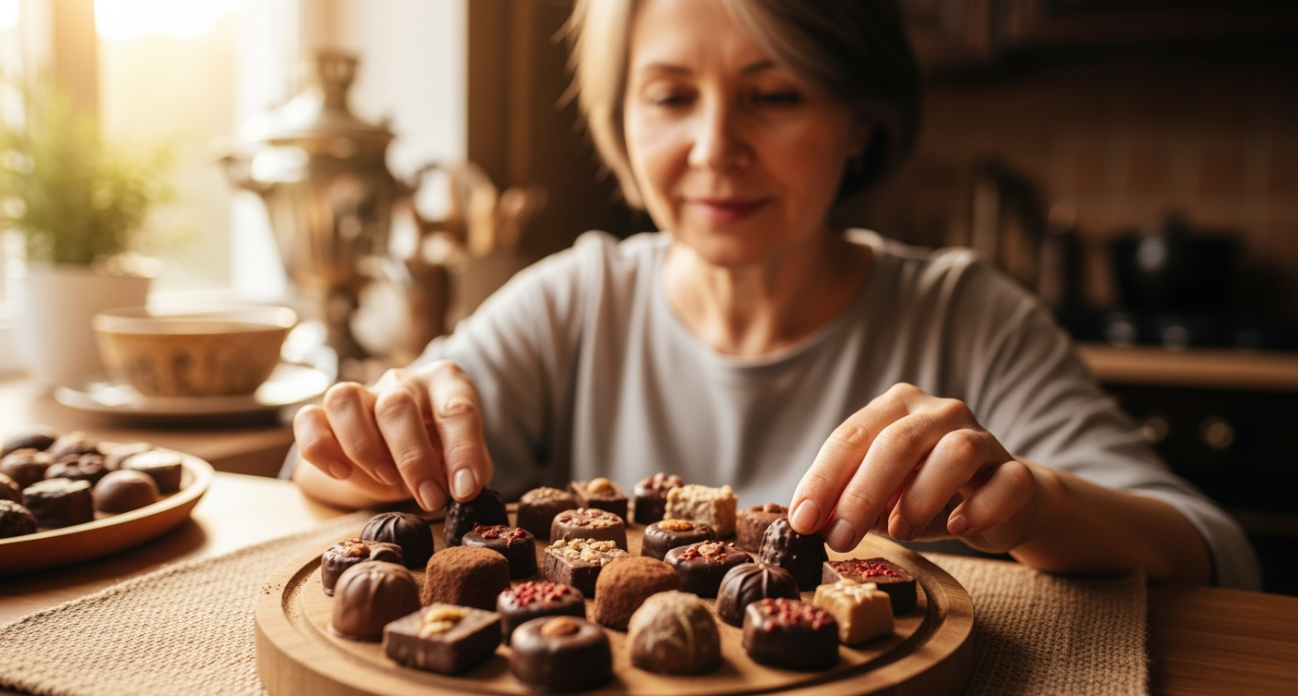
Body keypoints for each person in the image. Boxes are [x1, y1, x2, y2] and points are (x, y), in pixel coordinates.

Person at [292, 0, 1260, 589]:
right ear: (620, 120)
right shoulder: (570, 303)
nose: (716, 147)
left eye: (776, 94)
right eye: (671, 96)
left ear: (857, 122)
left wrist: (1032, 507)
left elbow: (1217, 552)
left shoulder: (967, 317)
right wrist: (370, 443)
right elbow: (330, 474)